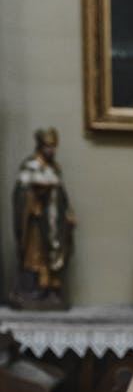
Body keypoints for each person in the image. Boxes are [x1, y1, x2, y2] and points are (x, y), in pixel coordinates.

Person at [11, 128, 75, 309]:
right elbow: (21, 193)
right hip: (35, 224)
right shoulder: (30, 166)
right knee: (35, 256)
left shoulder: (54, 168)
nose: (52, 150)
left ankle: (52, 290)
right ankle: (32, 290)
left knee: (55, 254)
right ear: (40, 146)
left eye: (54, 147)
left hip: (54, 221)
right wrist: (32, 202)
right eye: (48, 146)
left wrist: (68, 213)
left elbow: (61, 194)